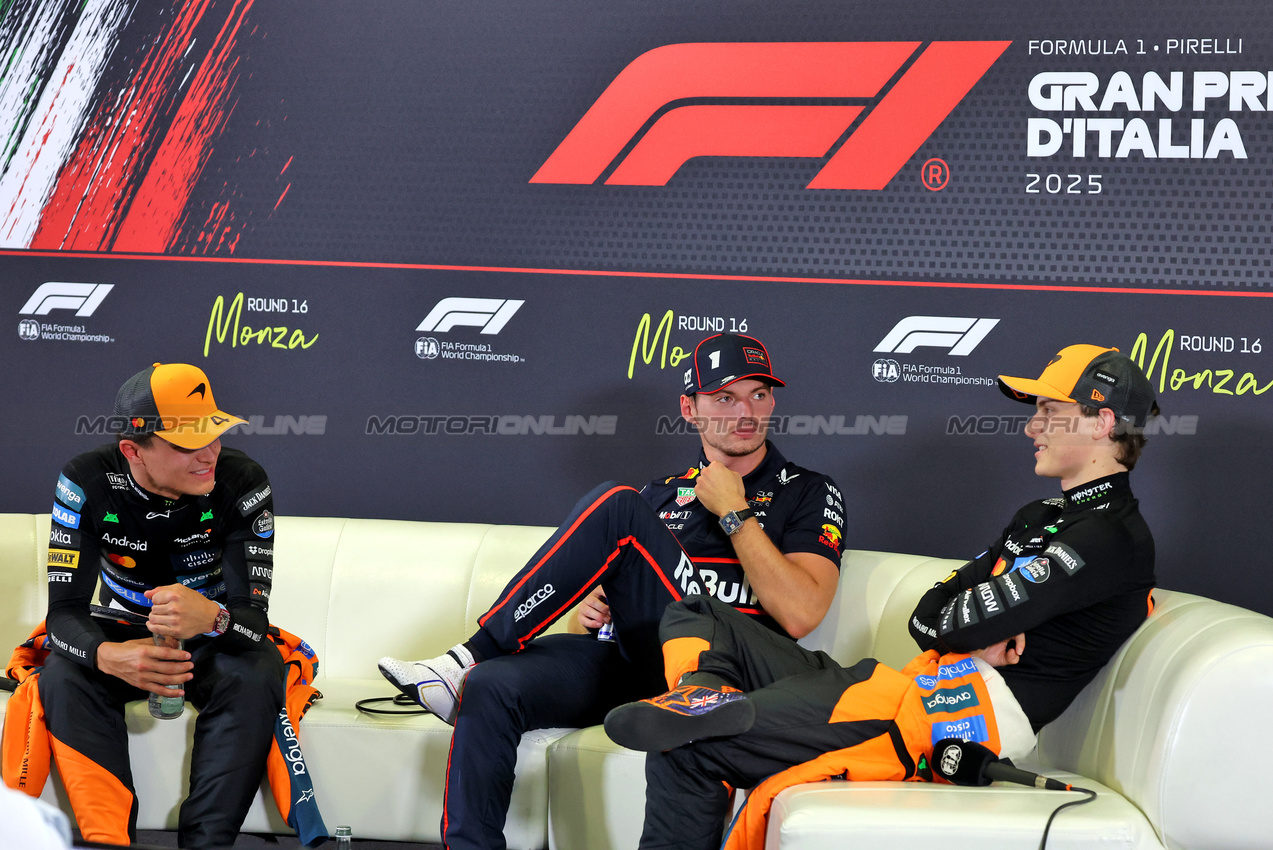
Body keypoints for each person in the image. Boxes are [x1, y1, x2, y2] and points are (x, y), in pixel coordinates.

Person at [604, 344, 1159, 850]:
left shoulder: (1111, 537)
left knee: (688, 750)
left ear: (1101, 421)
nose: (1031, 427)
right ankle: (701, 696)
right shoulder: (1039, 516)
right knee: (700, 612)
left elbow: (954, 624)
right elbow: (928, 617)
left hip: (949, 718)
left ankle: (703, 714)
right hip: (909, 682)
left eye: (1047, 411)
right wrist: (982, 624)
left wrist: (974, 626)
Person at [378, 332, 846, 850]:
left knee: (619, 506)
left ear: (774, 401)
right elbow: (601, 610)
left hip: (722, 670)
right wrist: (597, 606)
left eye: (759, 394)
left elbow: (803, 613)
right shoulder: (661, 494)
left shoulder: (807, 489)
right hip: (634, 660)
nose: (746, 412)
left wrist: (735, 514)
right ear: (690, 409)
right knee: (491, 686)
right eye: (725, 398)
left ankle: (468, 653)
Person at [32, 363, 282, 848]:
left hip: (213, 632)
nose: (210, 454)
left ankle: (206, 845)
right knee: (62, 675)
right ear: (133, 450)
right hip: (120, 630)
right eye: (188, 444)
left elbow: (253, 620)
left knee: (256, 671)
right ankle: (107, 843)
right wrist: (108, 655)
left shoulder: (244, 480)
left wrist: (212, 616)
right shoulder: (85, 479)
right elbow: (63, 613)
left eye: (215, 434)